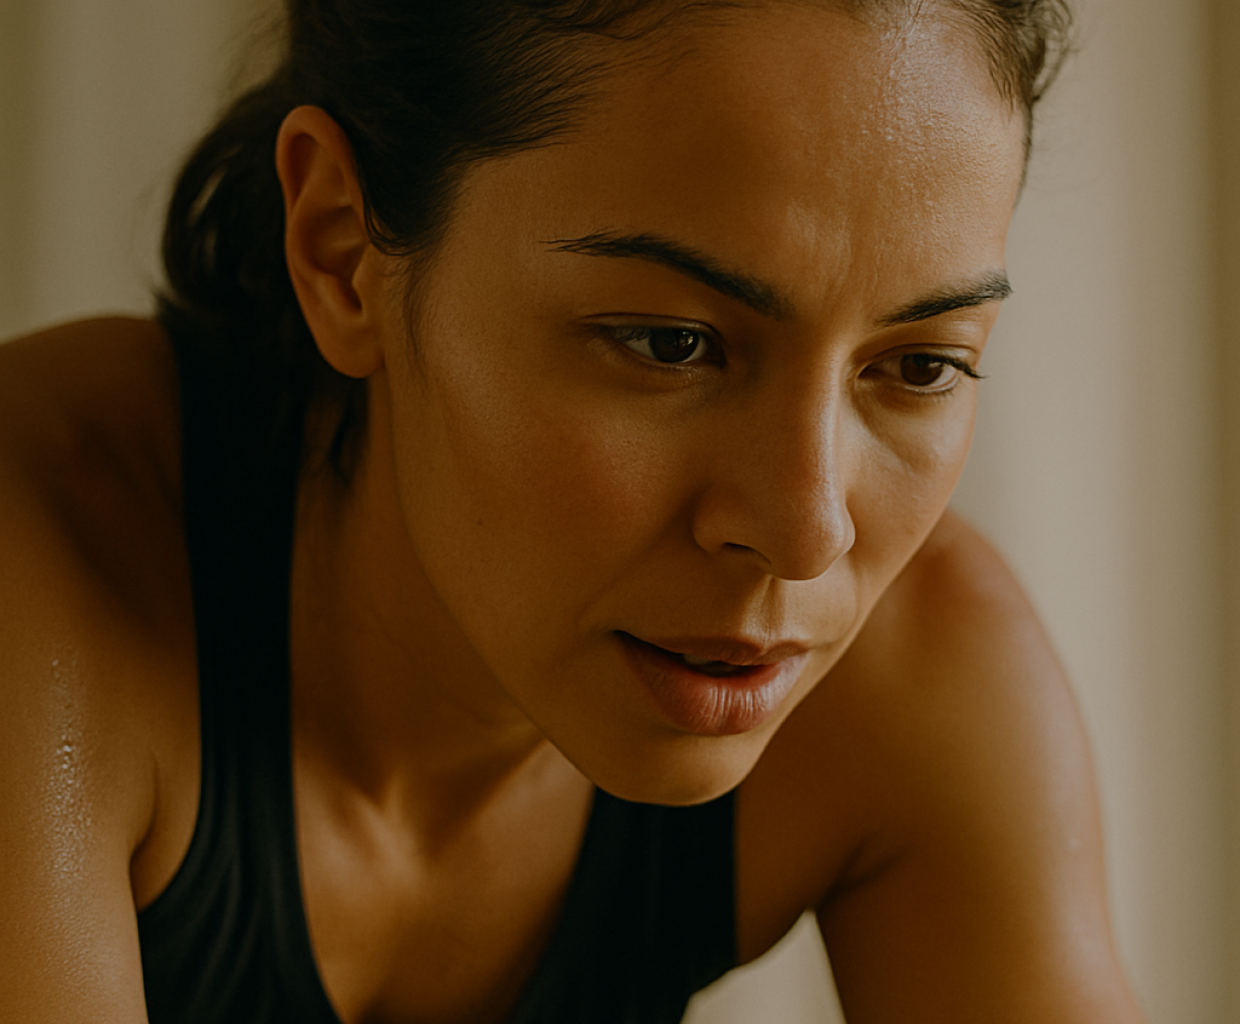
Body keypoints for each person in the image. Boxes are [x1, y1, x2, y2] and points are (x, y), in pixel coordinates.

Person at [0, 1, 1149, 1021]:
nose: (806, 535)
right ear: (345, 247)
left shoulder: (916, 675)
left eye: (917, 367)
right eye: (670, 343)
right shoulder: (43, 565)